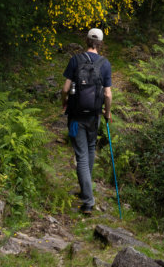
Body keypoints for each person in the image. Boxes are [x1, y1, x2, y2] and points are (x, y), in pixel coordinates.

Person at [61, 28, 112, 215]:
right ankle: (86, 191)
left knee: (81, 154)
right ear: (101, 44)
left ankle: (88, 201)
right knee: (90, 150)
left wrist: (64, 102)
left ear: (86, 40)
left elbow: (65, 88)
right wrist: (108, 112)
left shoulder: (75, 60)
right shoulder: (105, 64)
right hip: (94, 117)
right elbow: (107, 93)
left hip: (75, 117)